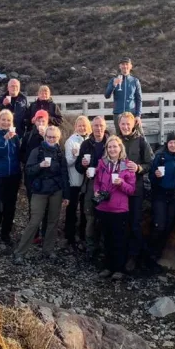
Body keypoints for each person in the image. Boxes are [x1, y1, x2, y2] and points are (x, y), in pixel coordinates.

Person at [13, 126, 70, 263]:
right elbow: (28, 170)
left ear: (58, 138)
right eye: (49, 137)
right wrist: (40, 166)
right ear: (45, 137)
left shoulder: (60, 153)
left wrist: (66, 195)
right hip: (39, 191)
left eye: (54, 137)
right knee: (35, 221)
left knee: (52, 222)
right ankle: (20, 252)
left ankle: (48, 250)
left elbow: (64, 174)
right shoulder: (36, 151)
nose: (51, 139)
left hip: (56, 190)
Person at [93, 135, 136, 280]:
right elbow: (97, 182)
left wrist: (121, 184)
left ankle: (119, 269)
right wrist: (96, 191)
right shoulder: (102, 163)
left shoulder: (127, 165)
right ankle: (107, 267)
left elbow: (132, 190)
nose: (112, 149)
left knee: (119, 239)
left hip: (119, 209)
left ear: (120, 148)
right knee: (106, 239)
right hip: (103, 207)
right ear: (106, 149)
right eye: (109, 147)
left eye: (114, 146)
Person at [116, 111, 153, 272]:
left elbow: (150, 163)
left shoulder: (141, 140)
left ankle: (133, 257)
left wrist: (138, 168)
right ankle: (119, 256)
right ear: (119, 125)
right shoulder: (115, 140)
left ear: (133, 125)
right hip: (117, 188)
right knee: (120, 223)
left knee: (135, 223)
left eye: (127, 124)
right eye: (122, 124)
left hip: (136, 189)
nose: (125, 127)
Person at [147, 132, 175, 269]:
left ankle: (157, 255)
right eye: (171, 142)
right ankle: (149, 255)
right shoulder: (161, 157)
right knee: (159, 225)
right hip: (160, 195)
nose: (173, 145)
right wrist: (156, 176)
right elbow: (151, 177)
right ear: (167, 143)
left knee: (168, 227)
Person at [74, 116, 110, 259]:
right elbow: (78, 167)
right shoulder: (86, 144)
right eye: (95, 125)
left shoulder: (111, 143)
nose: (98, 128)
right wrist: (82, 165)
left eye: (100, 125)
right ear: (92, 127)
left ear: (105, 126)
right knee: (90, 216)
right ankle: (91, 248)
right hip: (90, 185)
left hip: (107, 186)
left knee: (105, 216)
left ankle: (103, 248)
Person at [0, 110, 22, 250]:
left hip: (13, 175)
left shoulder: (15, 137)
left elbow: (20, 154)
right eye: (3, 120)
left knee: (10, 207)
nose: (6, 122)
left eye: (8, 120)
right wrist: (5, 139)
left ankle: (5, 235)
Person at [64, 116, 92, 249]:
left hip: (87, 181)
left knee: (85, 209)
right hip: (74, 180)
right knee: (72, 209)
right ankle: (69, 236)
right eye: (79, 125)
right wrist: (76, 156)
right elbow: (67, 162)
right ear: (75, 126)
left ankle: (83, 235)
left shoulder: (90, 140)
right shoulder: (71, 141)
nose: (82, 127)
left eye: (84, 125)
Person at [104, 57, 143, 134]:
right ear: (120, 66)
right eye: (123, 64)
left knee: (140, 136)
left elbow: (139, 99)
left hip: (132, 114)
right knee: (120, 139)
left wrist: (138, 115)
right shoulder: (113, 80)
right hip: (118, 115)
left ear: (130, 66)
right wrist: (114, 85)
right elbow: (107, 95)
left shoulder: (135, 81)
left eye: (127, 64)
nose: (125, 66)